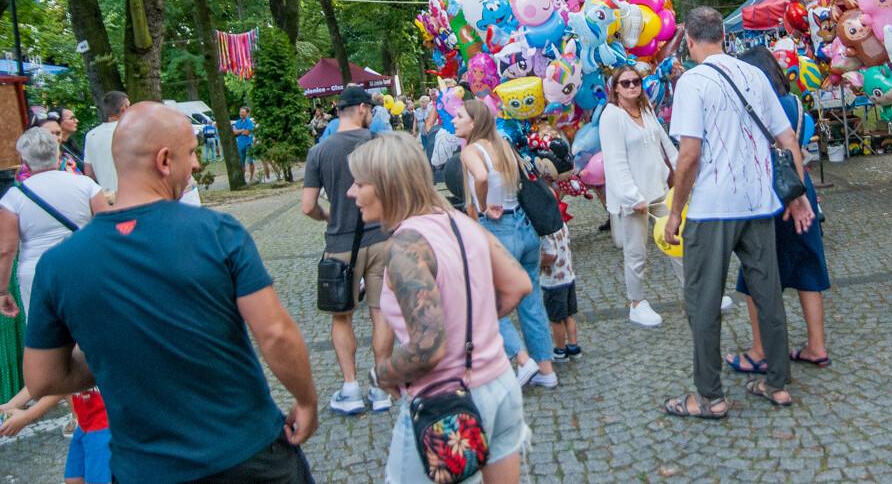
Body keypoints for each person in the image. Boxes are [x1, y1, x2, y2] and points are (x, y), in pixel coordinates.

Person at [22, 102, 319, 484]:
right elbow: (276, 334)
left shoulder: (57, 265)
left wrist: (117, 355)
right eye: (192, 153)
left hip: (143, 469)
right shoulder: (217, 232)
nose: (196, 165)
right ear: (165, 161)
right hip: (246, 453)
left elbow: (42, 378)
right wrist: (307, 400)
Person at [346, 133, 532, 484]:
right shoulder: (461, 223)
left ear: (387, 184)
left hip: (446, 405)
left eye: (359, 183)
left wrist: (381, 374)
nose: (350, 192)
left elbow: (429, 346)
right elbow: (518, 285)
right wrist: (473, 329)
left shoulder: (405, 246)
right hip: (501, 384)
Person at [662, 7, 815, 418]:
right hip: (759, 203)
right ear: (724, 38)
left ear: (690, 41)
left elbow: (689, 154)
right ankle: (778, 384)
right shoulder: (756, 75)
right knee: (769, 295)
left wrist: (676, 212)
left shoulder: (693, 82)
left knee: (702, 300)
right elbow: (787, 138)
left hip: (713, 207)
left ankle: (709, 396)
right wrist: (797, 195)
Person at [723, 45, 831, 374]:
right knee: (808, 267)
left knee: (756, 272)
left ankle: (760, 350)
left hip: (772, 190)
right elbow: (798, 145)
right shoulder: (795, 103)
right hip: (802, 186)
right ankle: (817, 346)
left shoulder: (755, 105)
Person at [301, 85, 395, 415]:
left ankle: (351, 388)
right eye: (369, 109)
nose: (371, 114)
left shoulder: (319, 152)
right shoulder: (378, 144)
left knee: (342, 316)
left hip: (340, 246)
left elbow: (307, 206)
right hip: (382, 239)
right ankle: (382, 387)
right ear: (360, 109)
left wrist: (329, 215)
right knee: (381, 311)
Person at [455, 99, 558, 389]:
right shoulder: (503, 144)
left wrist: (485, 204)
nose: (454, 120)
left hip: (499, 231)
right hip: (525, 230)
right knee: (531, 300)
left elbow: (482, 176)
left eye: (459, 116)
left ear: (474, 123)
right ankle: (547, 371)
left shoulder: (471, 151)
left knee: (485, 303)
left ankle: (523, 361)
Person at [598, 64, 683, 327]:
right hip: (633, 199)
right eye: (625, 83)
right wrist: (633, 197)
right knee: (636, 253)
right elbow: (615, 160)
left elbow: (664, 141)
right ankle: (636, 303)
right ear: (615, 88)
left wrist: (681, 168)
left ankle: (695, 291)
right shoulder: (611, 116)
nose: (632, 86)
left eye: (636, 81)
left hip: (657, 191)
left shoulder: (645, 108)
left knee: (677, 244)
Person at [1, 127, 106, 319]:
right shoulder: (86, 185)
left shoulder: (14, 197)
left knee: (44, 337)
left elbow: (6, 249)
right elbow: (107, 229)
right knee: (87, 328)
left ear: (24, 161)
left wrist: (3, 290)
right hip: (82, 264)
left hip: (36, 272)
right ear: (58, 155)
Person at [539, 222, 582, 361]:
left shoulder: (545, 229)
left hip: (554, 281)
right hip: (568, 277)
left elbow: (550, 254)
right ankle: (573, 346)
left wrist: (536, 263)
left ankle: (560, 349)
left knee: (556, 319)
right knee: (568, 315)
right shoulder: (561, 224)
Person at [83, 91, 129, 193]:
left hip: (106, 196)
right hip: (132, 196)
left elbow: (89, 172)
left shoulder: (91, 135)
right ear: (123, 108)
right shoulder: (132, 130)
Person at [233, 106, 257, 182]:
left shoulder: (249, 122)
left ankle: (251, 177)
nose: (241, 114)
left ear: (247, 113)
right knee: (242, 162)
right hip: (240, 144)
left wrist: (239, 131)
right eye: (240, 112)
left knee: (250, 161)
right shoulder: (238, 122)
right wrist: (242, 130)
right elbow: (234, 132)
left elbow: (248, 132)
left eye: (243, 112)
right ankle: (242, 178)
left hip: (248, 143)